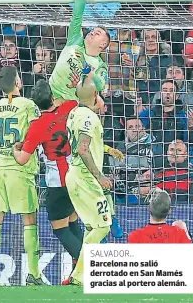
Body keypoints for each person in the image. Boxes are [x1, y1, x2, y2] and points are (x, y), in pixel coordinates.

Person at [0, 66, 44, 286]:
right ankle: (33, 274)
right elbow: (36, 131)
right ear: (18, 83)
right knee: (29, 220)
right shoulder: (28, 105)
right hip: (19, 169)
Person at [13, 79, 84, 272]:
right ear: (53, 97)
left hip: (58, 182)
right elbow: (77, 99)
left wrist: (15, 149)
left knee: (60, 228)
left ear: (35, 105)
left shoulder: (37, 125)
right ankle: (79, 271)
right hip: (78, 174)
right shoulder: (70, 107)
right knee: (72, 220)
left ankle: (89, 264)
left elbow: (22, 159)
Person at [65, 76, 112, 285]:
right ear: (95, 95)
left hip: (73, 174)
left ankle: (80, 275)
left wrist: (109, 149)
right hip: (85, 178)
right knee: (103, 227)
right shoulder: (90, 118)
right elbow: (83, 149)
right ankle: (78, 275)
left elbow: (85, 145)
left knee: (94, 227)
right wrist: (99, 176)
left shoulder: (74, 113)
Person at [49, 0, 110, 109]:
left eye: (98, 33)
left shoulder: (100, 66)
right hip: (50, 99)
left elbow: (101, 85)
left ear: (103, 44)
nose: (92, 33)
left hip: (73, 108)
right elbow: (77, 14)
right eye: (93, 30)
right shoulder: (75, 40)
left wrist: (88, 71)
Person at [128, 189, 192, 243]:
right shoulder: (179, 233)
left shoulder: (135, 236)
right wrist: (185, 231)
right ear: (169, 211)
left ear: (149, 208)